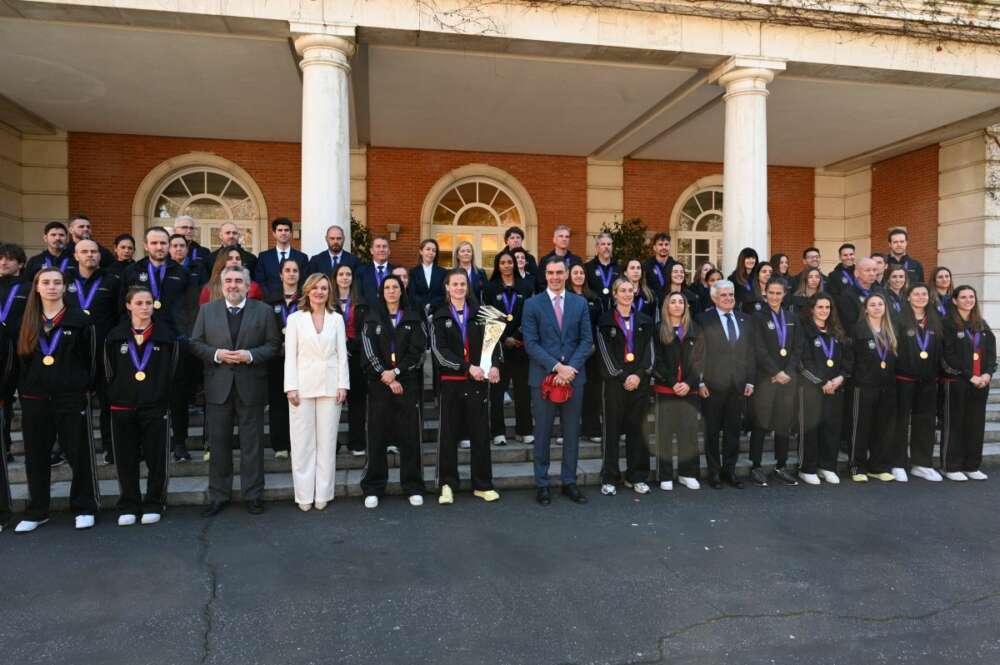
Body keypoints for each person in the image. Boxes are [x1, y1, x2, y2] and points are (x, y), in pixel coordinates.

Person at [190, 266, 281, 517]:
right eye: (228, 281)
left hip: (251, 385)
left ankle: (253, 495)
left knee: (252, 444)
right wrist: (217, 354)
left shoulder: (262, 311)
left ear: (247, 285)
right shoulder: (207, 311)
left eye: (238, 281)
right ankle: (219, 495)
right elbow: (195, 343)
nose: (233, 285)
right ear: (221, 285)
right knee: (219, 444)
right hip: (218, 386)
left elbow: (274, 345)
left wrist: (250, 355)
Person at [13, 268, 98, 533]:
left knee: (79, 452)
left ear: (65, 288)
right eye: (46, 282)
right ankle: (38, 510)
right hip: (35, 398)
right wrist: (25, 389)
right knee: (36, 456)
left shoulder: (80, 319)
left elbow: (91, 359)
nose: (51, 287)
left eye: (57, 282)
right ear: (37, 287)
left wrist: (83, 387)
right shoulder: (25, 320)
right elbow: (19, 362)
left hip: (70, 397)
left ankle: (84, 507)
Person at [104, 286, 178, 526]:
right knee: (125, 458)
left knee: (156, 458)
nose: (144, 307)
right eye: (139, 303)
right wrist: (116, 393)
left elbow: (173, 370)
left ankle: (154, 502)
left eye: (148, 302)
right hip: (122, 406)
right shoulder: (115, 336)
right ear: (128, 306)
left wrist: (162, 394)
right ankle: (129, 503)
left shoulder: (166, 336)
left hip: (155, 406)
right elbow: (108, 371)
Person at [522, 258, 593, 506]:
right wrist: (557, 367)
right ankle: (542, 484)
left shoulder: (580, 302)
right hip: (543, 378)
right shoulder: (532, 304)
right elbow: (530, 343)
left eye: (559, 272)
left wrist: (570, 368)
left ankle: (569, 482)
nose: (555, 276)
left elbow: (586, 340)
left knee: (571, 433)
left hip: (574, 378)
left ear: (566, 275)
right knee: (542, 434)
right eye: (550, 272)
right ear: (545, 275)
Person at [430, 269, 502, 504]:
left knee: (481, 435)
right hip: (451, 384)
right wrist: (465, 367)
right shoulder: (438, 316)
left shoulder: (482, 313)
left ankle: (482, 484)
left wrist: (494, 366)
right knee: (448, 435)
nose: (459, 287)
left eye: (463, 284)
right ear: (447, 288)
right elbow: (440, 353)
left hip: (478, 383)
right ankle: (447, 485)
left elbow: (494, 343)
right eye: (455, 284)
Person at [284, 273, 349, 511]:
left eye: (323, 288)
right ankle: (303, 495)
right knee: (302, 443)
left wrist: (343, 384)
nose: (319, 292)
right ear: (307, 291)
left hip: (331, 387)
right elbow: (290, 356)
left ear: (329, 291)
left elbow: (342, 354)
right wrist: (290, 386)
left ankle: (323, 492)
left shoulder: (336, 319)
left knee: (327, 441)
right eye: (315, 288)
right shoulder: (295, 319)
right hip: (301, 386)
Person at [360, 275, 426, 507]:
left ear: (401, 290)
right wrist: (386, 376)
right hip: (379, 384)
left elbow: (417, 352)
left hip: (406, 383)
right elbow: (368, 352)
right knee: (377, 436)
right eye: (387, 287)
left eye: (395, 287)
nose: (391, 291)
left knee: (410, 436)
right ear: (382, 291)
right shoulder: (372, 318)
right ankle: (373, 487)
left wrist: (396, 373)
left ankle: (413, 485)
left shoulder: (413, 318)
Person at [595, 278, 654, 496]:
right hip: (614, 384)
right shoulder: (604, 321)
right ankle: (609, 477)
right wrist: (622, 377)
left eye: (630, 290)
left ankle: (636, 477)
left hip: (639, 384)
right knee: (611, 431)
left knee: (637, 431)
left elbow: (650, 353)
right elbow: (603, 353)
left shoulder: (645, 320)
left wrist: (638, 376)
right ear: (615, 294)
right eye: (623, 290)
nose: (627, 294)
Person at [64, 239, 121, 465]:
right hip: (72, 353)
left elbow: (120, 316)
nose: (90, 255)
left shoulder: (112, 280)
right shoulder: (64, 280)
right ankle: (73, 450)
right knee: (73, 404)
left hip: (104, 354)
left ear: (100, 255)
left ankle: (110, 447)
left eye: (94, 251)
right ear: (76, 256)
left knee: (109, 403)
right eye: (84, 251)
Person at [696, 279, 755, 489]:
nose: (729, 298)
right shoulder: (703, 319)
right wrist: (700, 381)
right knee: (712, 431)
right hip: (712, 386)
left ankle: (729, 471)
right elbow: (698, 354)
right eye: (724, 295)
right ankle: (714, 473)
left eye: (731, 294)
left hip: (738, 385)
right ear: (714, 297)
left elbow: (750, 353)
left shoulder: (745, 319)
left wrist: (750, 380)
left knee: (733, 431)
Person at [748, 278, 800, 486]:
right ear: (765, 294)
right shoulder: (757, 317)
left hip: (787, 379)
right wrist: (775, 372)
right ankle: (756, 465)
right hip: (766, 378)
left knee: (783, 423)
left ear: (784, 295)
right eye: (771, 293)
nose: (775, 297)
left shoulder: (792, 317)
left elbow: (797, 348)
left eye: (779, 293)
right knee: (761, 423)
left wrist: (786, 371)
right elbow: (758, 349)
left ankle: (781, 465)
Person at [941, 285, 995, 481]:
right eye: (963, 297)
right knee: (955, 423)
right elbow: (948, 354)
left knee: (976, 424)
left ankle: (972, 465)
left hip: (981, 382)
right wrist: (968, 375)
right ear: (954, 301)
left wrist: (988, 374)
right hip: (957, 381)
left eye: (971, 297)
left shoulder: (982, 324)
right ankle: (951, 466)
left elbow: (990, 353)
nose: (968, 300)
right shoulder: (947, 323)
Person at [796, 293, 850, 485]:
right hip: (812, 388)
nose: (824, 311)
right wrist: (822, 383)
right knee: (811, 429)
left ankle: (827, 466)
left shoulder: (837, 331)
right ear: (812, 309)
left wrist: (840, 378)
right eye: (820, 307)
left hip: (835, 388)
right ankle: (807, 468)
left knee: (832, 429)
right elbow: (802, 363)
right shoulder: (804, 331)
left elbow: (847, 359)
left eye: (827, 307)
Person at [652, 292, 703, 491]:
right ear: (666, 306)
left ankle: (686, 473)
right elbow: (657, 361)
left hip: (689, 391)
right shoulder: (659, 330)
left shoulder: (695, 329)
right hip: (666, 388)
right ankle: (665, 475)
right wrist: (673, 382)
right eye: (672, 302)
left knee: (688, 433)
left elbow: (700, 361)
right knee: (665, 433)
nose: (677, 305)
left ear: (685, 306)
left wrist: (689, 384)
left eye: (680, 302)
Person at [894, 283, 943, 482]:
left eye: (924, 294)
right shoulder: (899, 319)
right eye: (916, 294)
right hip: (903, 379)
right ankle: (897, 463)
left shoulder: (936, 320)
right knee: (899, 422)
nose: (921, 297)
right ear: (908, 297)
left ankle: (921, 464)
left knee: (926, 423)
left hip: (929, 381)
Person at [484, 249, 534, 445]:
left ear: (515, 264)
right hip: (499, 347)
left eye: (509, 262)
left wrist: (516, 336)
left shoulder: (526, 287)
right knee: (497, 393)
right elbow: (488, 317)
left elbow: (529, 315)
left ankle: (524, 430)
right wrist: (505, 338)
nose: (506, 266)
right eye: (503, 263)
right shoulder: (490, 288)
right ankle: (498, 432)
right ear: (498, 266)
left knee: (523, 391)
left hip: (521, 346)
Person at [848, 293, 898, 483]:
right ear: (866, 309)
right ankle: (857, 466)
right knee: (861, 427)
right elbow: (851, 359)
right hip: (864, 386)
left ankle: (878, 467)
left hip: (886, 387)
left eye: (880, 304)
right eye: (873, 304)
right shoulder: (858, 330)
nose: (877, 307)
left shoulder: (890, 330)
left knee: (882, 428)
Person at [167, 234, 205, 462]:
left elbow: (197, 304)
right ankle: (172, 442)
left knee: (186, 391)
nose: (178, 249)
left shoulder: (197, 269)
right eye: (174, 246)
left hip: (189, 336)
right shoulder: (160, 272)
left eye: (182, 245)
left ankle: (183, 443)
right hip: (164, 339)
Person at [121, 227, 191, 338]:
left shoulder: (182, 272)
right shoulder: (132, 271)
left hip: (172, 334)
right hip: (140, 333)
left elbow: (190, 306)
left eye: (163, 243)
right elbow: (122, 304)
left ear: (169, 245)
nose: (159, 247)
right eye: (154, 243)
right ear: (146, 246)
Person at [266, 259, 301, 461]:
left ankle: (297, 442)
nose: (291, 274)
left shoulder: (306, 301)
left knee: (298, 402)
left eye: (295, 270)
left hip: (300, 360)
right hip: (276, 359)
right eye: (287, 270)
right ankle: (280, 445)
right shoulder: (270, 301)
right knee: (278, 402)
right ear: (280, 275)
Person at [333, 264, 368, 456]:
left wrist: (352, 347)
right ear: (335, 278)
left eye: (348, 274)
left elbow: (366, 332)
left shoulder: (361, 304)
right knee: (332, 403)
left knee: (357, 403)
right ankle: (333, 443)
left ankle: (357, 442)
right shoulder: (328, 303)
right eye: (341, 274)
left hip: (356, 358)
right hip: (333, 359)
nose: (345, 277)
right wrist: (339, 349)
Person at [568, 262, 603, 443]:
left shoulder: (594, 298)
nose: (579, 275)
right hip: (570, 353)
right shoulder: (564, 297)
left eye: (582, 272)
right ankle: (570, 432)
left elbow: (599, 325)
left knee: (591, 393)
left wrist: (593, 345)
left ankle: (592, 429)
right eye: (575, 272)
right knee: (571, 393)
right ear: (569, 275)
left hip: (592, 352)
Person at [0, 243, 27, 462]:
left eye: (9, 258)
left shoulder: (28, 288)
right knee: (4, 400)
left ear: (20, 263)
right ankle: (5, 446)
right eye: (0, 258)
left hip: (23, 350)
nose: (3, 262)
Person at [257, 217, 308, 299]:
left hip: (296, 303)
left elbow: (304, 281)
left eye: (286, 230)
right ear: (274, 233)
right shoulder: (264, 257)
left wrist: (295, 298)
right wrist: (271, 297)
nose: (283, 233)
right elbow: (260, 281)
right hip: (270, 302)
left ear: (291, 233)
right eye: (280, 230)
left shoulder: (302, 257)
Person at [200, 248, 265, 304]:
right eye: (230, 258)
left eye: (238, 258)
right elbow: (204, 314)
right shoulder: (209, 289)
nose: (235, 261)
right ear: (221, 262)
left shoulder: (253, 287)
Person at [835, 257, 882, 331]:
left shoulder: (881, 292)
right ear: (856, 273)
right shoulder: (847, 295)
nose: (872, 273)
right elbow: (849, 325)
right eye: (867, 270)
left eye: (874, 270)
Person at [408, 238, 446, 319]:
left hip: (438, 313)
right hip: (418, 313)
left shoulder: (443, 272)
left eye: (434, 250)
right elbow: (412, 293)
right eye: (428, 249)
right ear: (421, 251)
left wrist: (431, 305)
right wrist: (424, 305)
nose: (431, 252)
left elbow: (444, 294)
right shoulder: (413, 272)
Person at [584, 232, 620, 311]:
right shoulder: (587, 267)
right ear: (597, 247)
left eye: (609, 244)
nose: (606, 246)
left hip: (615, 312)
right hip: (594, 311)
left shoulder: (619, 268)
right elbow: (585, 289)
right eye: (603, 244)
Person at [357, 235, 395, 302]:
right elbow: (359, 295)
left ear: (389, 251)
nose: (381, 249)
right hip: (369, 311)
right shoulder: (361, 272)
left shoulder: (396, 271)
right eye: (378, 246)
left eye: (384, 246)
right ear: (371, 251)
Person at [644, 232, 678, 300]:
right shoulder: (646, 265)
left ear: (669, 246)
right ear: (654, 247)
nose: (664, 247)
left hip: (671, 303)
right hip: (652, 304)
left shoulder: (676, 266)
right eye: (660, 244)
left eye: (666, 244)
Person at [453, 240, 487, 305]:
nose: (466, 253)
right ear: (457, 255)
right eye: (462, 251)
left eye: (469, 251)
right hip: (456, 310)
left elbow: (487, 296)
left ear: (472, 255)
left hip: (476, 311)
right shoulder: (451, 274)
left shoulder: (481, 273)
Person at [728, 247, 759, 314]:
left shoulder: (758, 277)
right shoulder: (733, 278)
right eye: (748, 258)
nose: (751, 261)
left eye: (753, 258)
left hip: (757, 314)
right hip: (741, 314)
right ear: (742, 260)